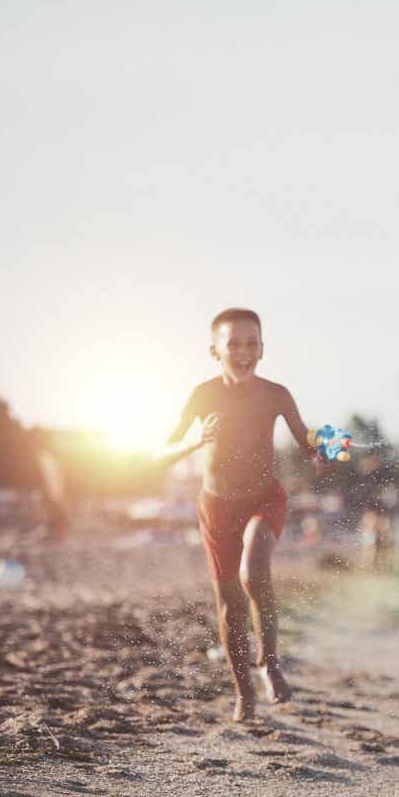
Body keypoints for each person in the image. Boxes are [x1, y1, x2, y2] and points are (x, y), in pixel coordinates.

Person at [154, 307, 321, 720]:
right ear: (215, 350)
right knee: (230, 603)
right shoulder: (202, 395)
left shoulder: (276, 394)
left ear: (263, 347)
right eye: (234, 344)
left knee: (255, 570)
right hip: (215, 506)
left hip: (264, 499)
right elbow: (159, 454)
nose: (244, 351)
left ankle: (270, 662)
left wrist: (326, 452)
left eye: (252, 343)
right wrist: (195, 442)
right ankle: (244, 693)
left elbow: (309, 448)